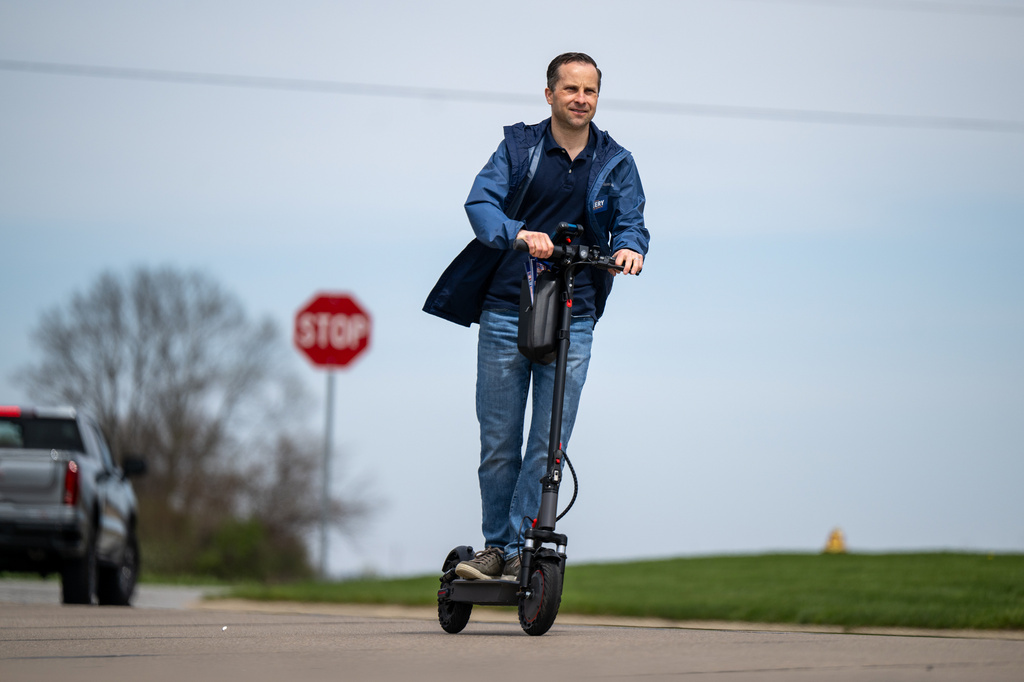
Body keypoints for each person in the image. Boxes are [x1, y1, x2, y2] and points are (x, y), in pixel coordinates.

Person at [423, 52, 649, 581]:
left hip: (577, 315)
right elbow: (481, 205)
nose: (580, 99)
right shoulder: (518, 148)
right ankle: (496, 547)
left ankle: (526, 544)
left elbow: (632, 222)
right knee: (499, 442)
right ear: (549, 94)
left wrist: (630, 248)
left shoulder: (616, 162)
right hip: (508, 308)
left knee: (549, 441)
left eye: (589, 91)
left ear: (598, 97)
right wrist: (519, 233)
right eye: (570, 89)